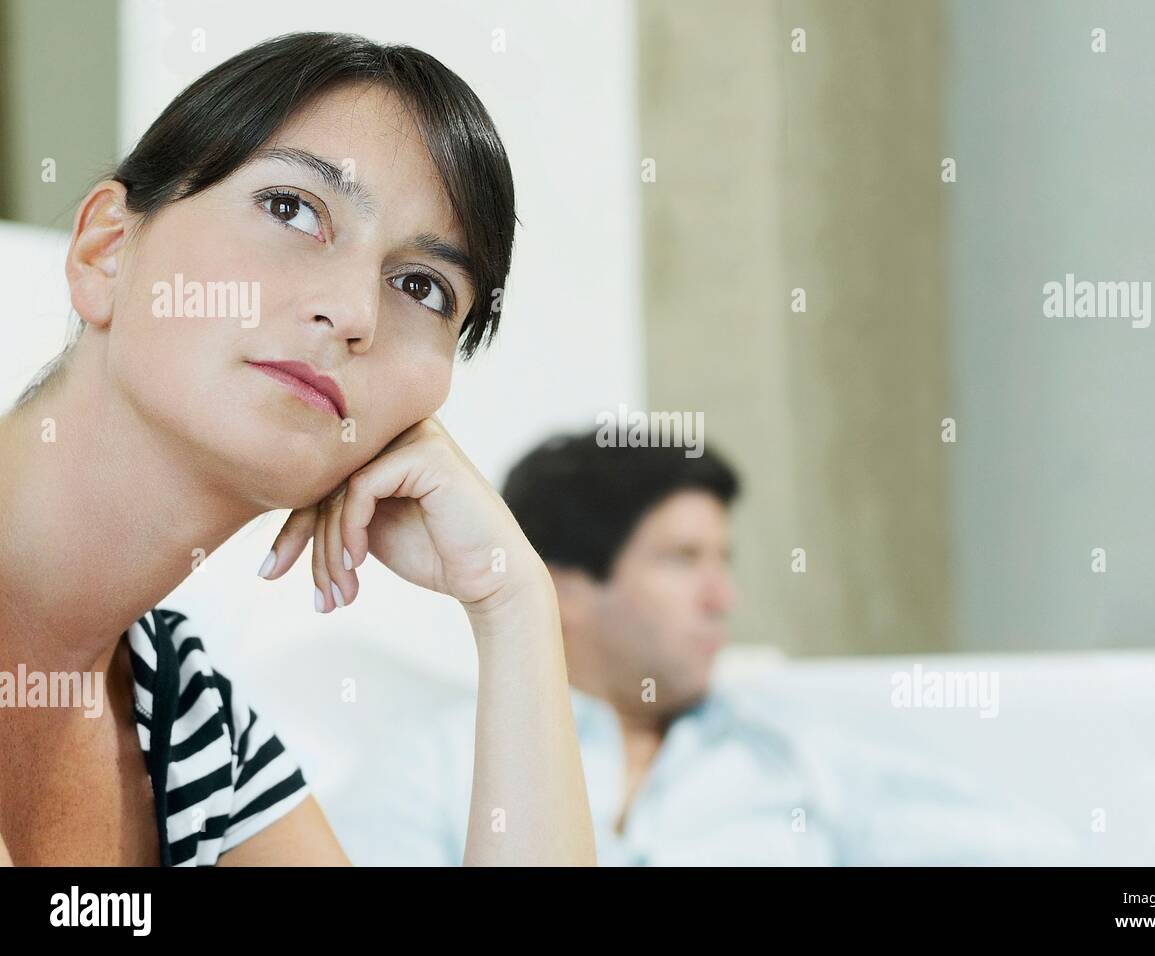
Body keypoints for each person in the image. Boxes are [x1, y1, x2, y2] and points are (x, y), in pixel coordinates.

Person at [0, 32, 595, 867]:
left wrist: (513, 606)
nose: (354, 312)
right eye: (292, 208)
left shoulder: (193, 729)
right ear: (107, 248)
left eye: (421, 287)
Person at [392, 431, 1078, 865]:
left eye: (723, 561)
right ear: (562, 587)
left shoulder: (802, 764)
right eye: (684, 560)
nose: (724, 599)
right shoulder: (433, 768)